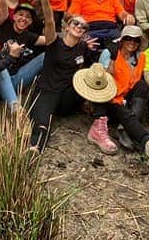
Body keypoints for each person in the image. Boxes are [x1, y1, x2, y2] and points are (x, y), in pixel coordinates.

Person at [85, 26, 149, 168]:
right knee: (120, 108)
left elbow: (146, 78)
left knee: (142, 86)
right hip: (108, 99)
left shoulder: (140, 57)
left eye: (136, 40)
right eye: (128, 38)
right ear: (122, 40)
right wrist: (114, 59)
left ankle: (126, 129)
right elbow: (102, 80)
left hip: (126, 99)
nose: (132, 42)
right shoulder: (110, 53)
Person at [29, 15, 100, 151]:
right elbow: (49, 21)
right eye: (76, 23)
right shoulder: (54, 42)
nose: (79, 27)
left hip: (66, 97)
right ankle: (35, 148)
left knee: (91, 80)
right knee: (42, 125)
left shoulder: (82, 47)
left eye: (83, 26)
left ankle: (100, 122)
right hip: (48, 91)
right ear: (66, 27)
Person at [0, 0, 56, 93]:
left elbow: (50, 39)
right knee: (2, 69)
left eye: (28, 17)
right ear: (13, 16)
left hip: (17, 78)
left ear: (31, 22)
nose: (24, 18)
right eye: (21, 14)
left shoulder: (28, 36)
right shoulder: (3, 26)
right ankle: (15, 107)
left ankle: (44, 89)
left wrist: (73, 37)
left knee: (46, 55)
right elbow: (3, 0)